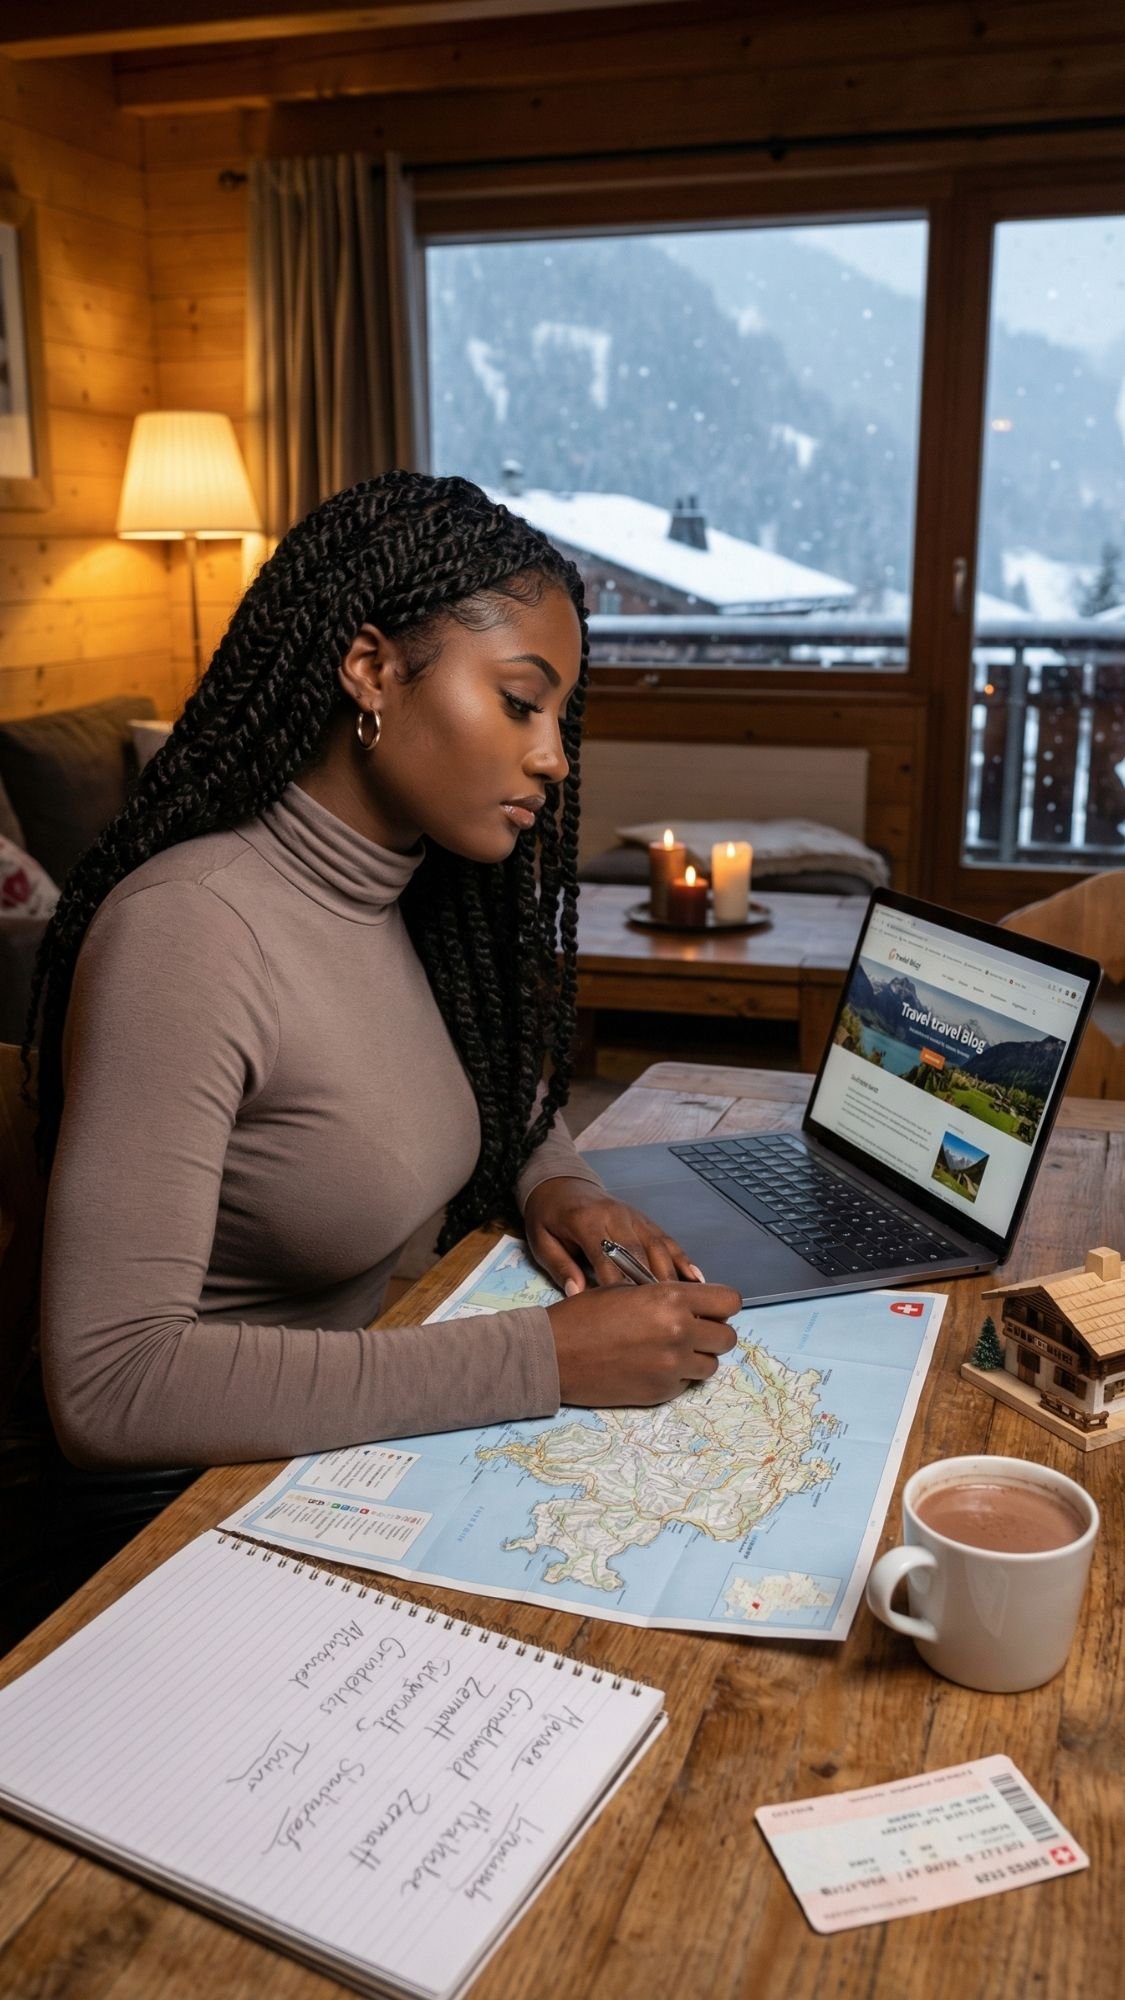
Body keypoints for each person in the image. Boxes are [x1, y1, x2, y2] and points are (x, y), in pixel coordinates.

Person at [29, 472, 739, 1471]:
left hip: (337, 1455)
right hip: (179, 1506)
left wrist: (559, 1183)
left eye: (559, 718)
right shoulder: (188, 934)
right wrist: (541, 1355)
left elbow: (486, 1081)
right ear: (370, 667)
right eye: (519, 702)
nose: (554, 760)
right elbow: (110, 1386)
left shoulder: (430, 893)